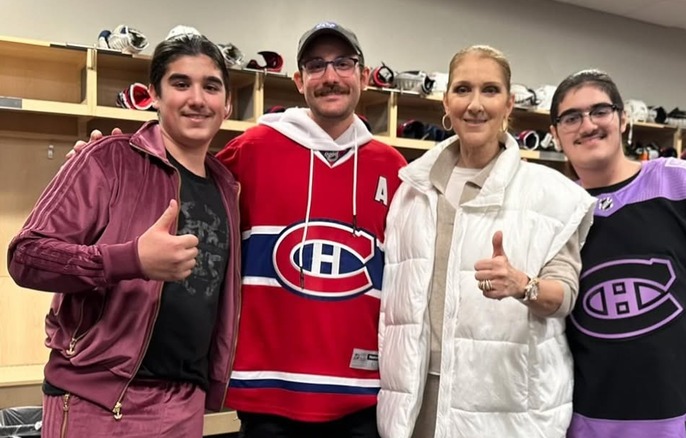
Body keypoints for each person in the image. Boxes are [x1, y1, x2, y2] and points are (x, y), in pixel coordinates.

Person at [8, 34, 241, 437]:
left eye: (211, 86)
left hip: (185, 405)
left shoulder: (227, 186)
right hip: (98, 403)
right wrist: (130, 259)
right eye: (181, 83)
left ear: (228, 103)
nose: (197, 99)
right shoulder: (106, 159)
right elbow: (26, 256)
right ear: (153, 94)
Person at [376, 45, 596, 438]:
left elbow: (564, 296)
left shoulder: (551, 196)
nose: (475, 104)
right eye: (463, 89)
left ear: (509, 104)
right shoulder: (411, 190)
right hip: (416, 399)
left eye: (490, 90)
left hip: (506, 406)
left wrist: (522, 286)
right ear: (446, 101)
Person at [548, 69, 686, 438]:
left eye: (599, 111)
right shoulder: (554, 209)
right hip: (584, 421)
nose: (587, 125)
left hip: (679, 416)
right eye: (571, 117)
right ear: (556, 134)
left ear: (623, 120)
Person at [215, 21, 407, 437]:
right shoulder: (252, 149)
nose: (331, 77)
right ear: (299, 80)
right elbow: (186, 193)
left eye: (343, 63)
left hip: (362, 391)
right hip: (269, 390)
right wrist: (117, 161)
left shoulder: (393, 168)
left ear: (364, 75)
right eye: (316, 66)